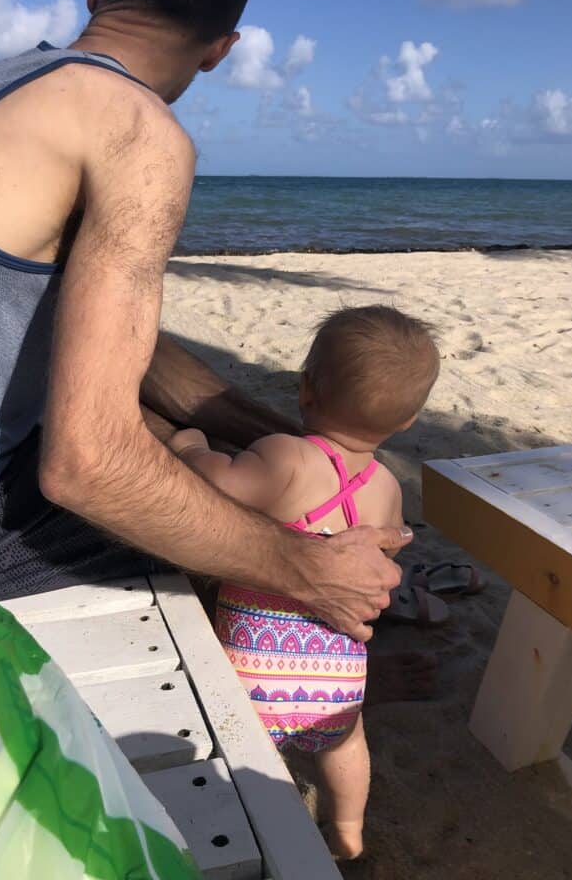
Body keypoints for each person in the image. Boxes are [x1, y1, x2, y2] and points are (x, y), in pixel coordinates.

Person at [0, 0, 409, 644]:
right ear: (221, 49)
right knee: (220, 520)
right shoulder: (139, 135)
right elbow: (88, 465)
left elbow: (131, 354)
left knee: (210, 451)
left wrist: (315, 451)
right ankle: (315, 688)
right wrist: (306, 567)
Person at [168, 306, 440, 858]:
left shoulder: (285, 455)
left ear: (306, 388)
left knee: (244, 756)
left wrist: (192, 449)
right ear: (408, 421)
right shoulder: (386, 487)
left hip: (255, 668)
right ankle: (347, 830)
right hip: (338, 675)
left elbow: (221, 487)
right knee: (345, 744)